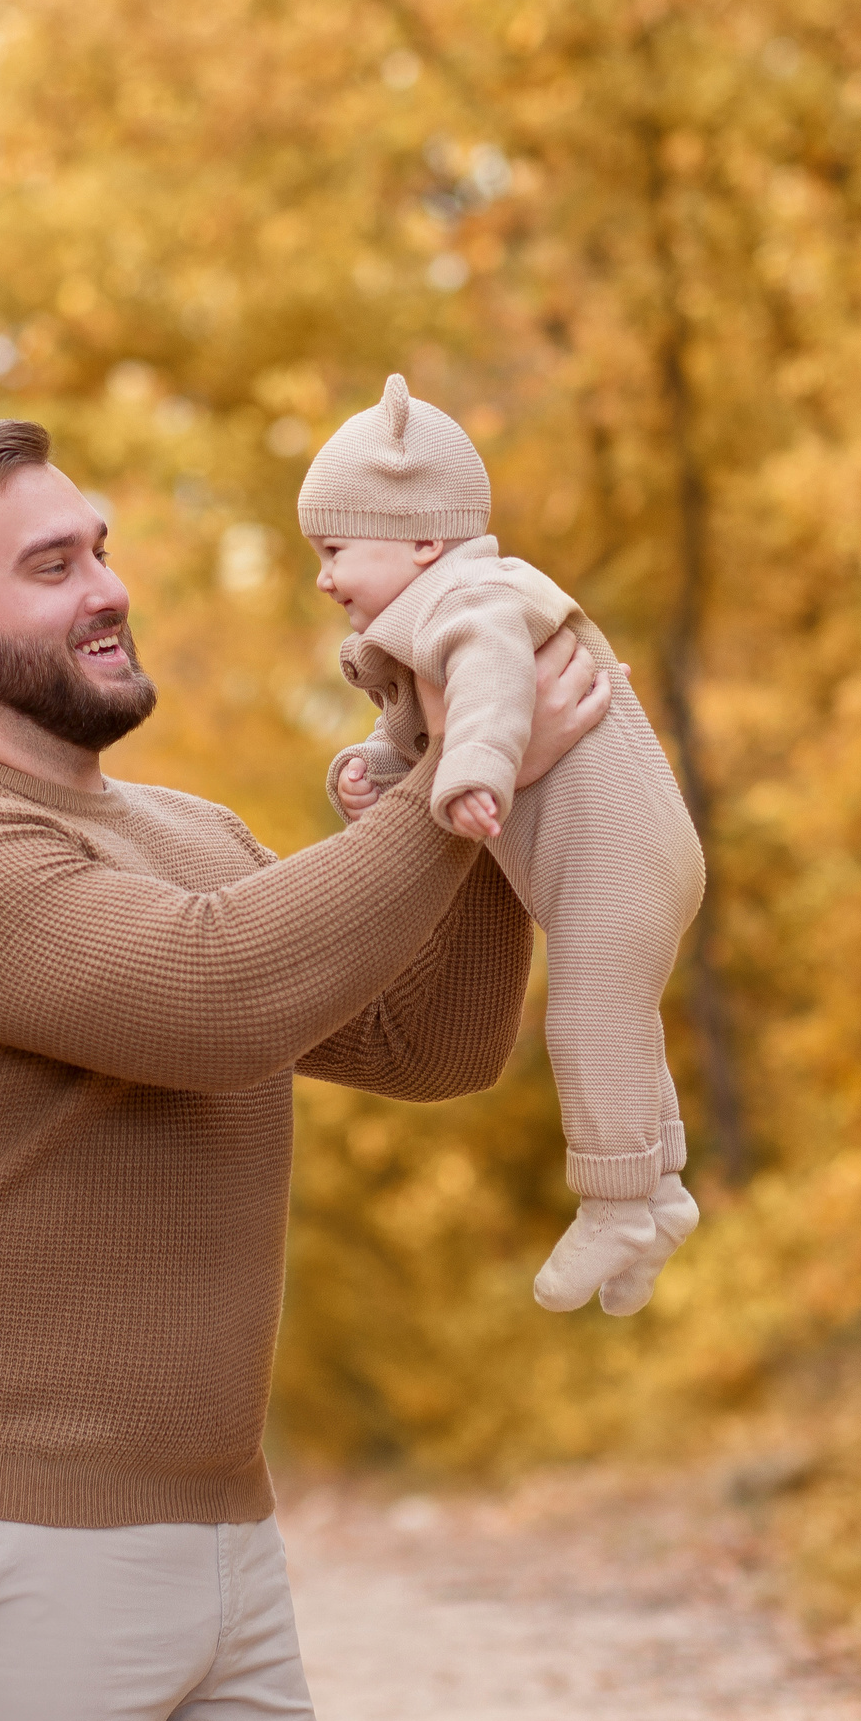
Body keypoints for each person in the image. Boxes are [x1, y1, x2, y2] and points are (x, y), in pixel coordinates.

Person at [0, 420, 611, 1721]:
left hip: (219, 1529)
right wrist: (446, 793)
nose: (107, 586)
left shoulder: (188, 834)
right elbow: (217, 995)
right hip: (1, 1545)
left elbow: (432, 1046)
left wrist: (476, 780)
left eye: (101, 546)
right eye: (52, 566)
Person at [307, 374, 705, 1315]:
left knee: (587, 1019)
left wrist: (477, 771)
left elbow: (487, 694)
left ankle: (611, 1203)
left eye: (333, 550)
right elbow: (425, 730)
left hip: (619, 856)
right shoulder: (431, 616)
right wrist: (377, 774)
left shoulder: (474, 601)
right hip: (625, 859)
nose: (323, 578)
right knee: (621, 1020)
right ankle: (661, 1193)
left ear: (419, 538)